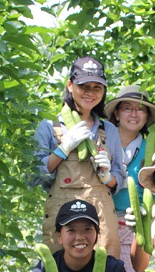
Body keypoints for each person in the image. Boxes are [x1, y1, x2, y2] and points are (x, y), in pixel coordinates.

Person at [32, 56, 125, 258]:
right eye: (83, 86)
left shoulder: (108, 130)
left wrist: (107, 177)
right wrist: (63, 149)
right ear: (70, 85)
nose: (90, 93)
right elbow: (35, 175)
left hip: (101, 217)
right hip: (62, 217)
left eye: (96, 87)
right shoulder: (49, 128)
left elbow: (120, 176)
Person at [104, 85, 155, 272]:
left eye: (140, 109)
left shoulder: (151, 149)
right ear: (117, 114)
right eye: (127, 108)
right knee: (99, 270)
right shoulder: (102, 141)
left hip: (132, 222)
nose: (133, 114)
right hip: (102, 217)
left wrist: (146, 212)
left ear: (146, 116)